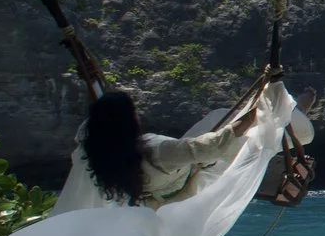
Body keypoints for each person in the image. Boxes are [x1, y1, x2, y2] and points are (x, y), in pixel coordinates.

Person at [78, 88, 265, 208]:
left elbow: (101, 118)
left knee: (218, 120)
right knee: (241, 136)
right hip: (193, 188)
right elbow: (214, 145)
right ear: (129, 120)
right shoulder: (158, 152)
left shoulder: (101, 150)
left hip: (159, 202)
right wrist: (257, 111)